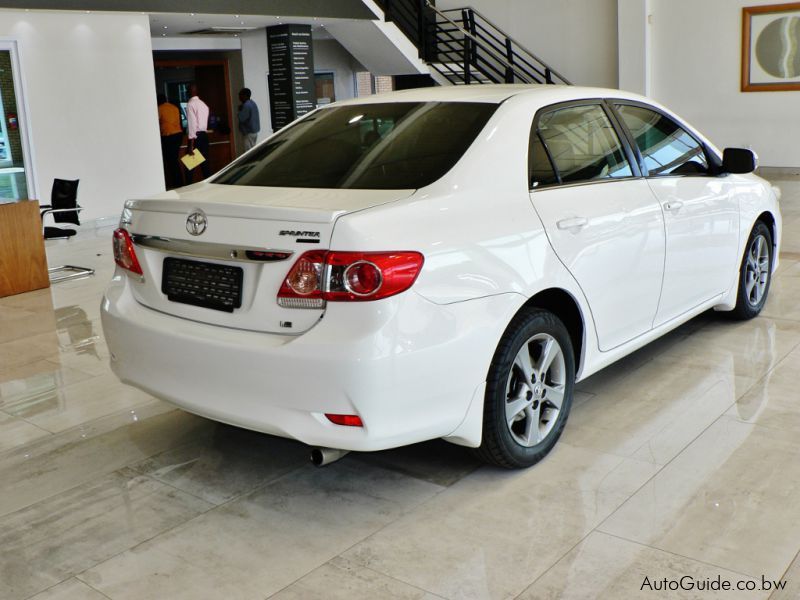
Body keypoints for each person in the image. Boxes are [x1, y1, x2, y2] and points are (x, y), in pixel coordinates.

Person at [157, 94, 184, 189]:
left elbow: (156, 122)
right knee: (174, 160)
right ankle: (179, 183)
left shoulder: (159, 108)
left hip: (168, 136)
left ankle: (177, 184)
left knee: (171, 162)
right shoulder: (174, 107)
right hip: (178, 135)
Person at [186, 83, 211, 179]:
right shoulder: (203, 104)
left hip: (195, 137)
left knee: (189, 165)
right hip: (204, 136)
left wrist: (191, 146)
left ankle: (187, 189)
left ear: (190, 91)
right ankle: (209, 185)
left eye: (188, 90)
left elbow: (192, 125)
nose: (187, 92)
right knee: (205, 164)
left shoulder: (190, 104)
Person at [237, 88, 260, 153]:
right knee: (252, 150)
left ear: (245, 95)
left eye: (240, 95)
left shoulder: (246, 105)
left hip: (248, 133)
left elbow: (241, 118)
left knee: (248, 152)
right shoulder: (253, 103)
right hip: (254, 132)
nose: (239, 97)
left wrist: (240, 111)